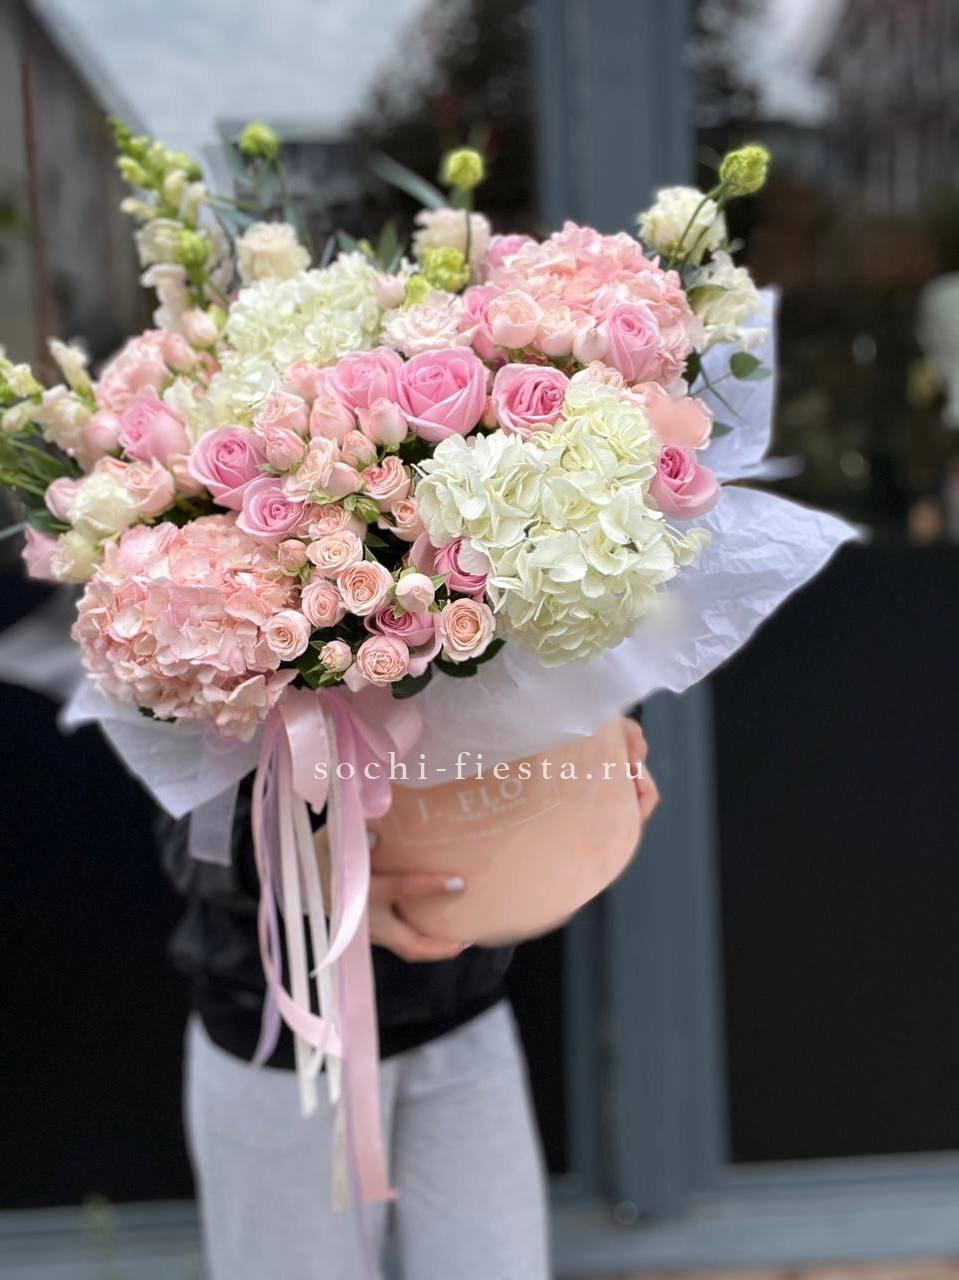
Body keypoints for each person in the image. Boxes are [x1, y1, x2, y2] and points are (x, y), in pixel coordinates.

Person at [158, 715, 659, 1280]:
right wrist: (303, 869)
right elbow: (186, 836)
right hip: (282, 1038)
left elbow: (544, 706)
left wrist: (591, 751)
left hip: (460, 1011)